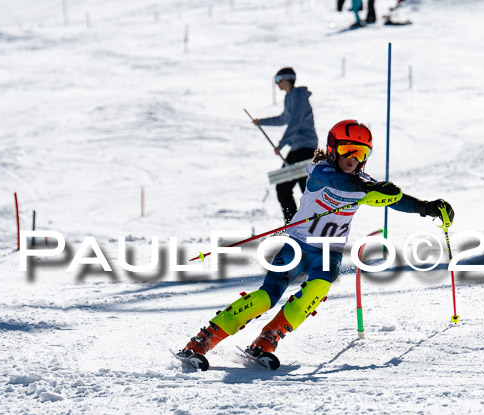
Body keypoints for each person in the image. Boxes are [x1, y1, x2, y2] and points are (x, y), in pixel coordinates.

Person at [176, 120, 454, 370]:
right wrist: (371, 191)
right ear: (333, 148)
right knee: (266, 297)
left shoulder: (363, 183)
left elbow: (393, 199)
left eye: (360, 153)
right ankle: (203, 340)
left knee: (318, 289)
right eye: (347, 149)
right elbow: (337, 181)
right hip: (297, 245)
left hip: (328, 252)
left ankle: (267, 339)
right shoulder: (320, 171)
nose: (352, 158)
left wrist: (426, 207)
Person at [253, 67, 318, 223]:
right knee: (302, 187)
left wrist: (281, 145)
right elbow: (284, 119)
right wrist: (262, 122)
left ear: (286, 79)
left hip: (305, 149)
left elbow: (295, 122)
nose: (276, 84)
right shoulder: (291, 97)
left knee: (285, 186)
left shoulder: (298, 96)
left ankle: (296, 224)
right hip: (298, 148)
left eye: (277, 80)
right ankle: (303, 224)